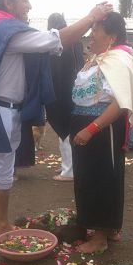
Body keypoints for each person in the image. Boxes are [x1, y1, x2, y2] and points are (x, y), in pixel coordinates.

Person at [0, 0, 112, 252]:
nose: (29, 4)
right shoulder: (5, 29)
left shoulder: (5, 29)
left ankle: (1, 224)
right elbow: (55, 40)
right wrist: (91, 17)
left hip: (10, 111)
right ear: (8, 3)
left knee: (4, 173)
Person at [70, 12, 133, 253]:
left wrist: (91, 129)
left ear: (111, 37)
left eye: (96, 30)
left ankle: (100, 237)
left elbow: (120, 103)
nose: (91, 34)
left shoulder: (117, 60)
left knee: (102, 178)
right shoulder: (97, 60)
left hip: (102, 129)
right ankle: (108, 228)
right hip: (86, 126)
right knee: (89, 178)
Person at [46, 13, 84, 182]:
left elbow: (55, 72)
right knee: (72, 128)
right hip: (77, 90)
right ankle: (71, 165)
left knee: (65, 130)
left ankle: (69, 170)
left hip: (61, 91)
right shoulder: (76, 42)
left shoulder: (57, 45)